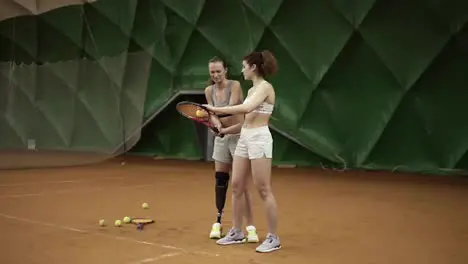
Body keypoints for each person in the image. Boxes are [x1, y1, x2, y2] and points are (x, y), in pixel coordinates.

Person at [203, 50, 281, 253]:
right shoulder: (251, 90)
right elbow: (245, 120)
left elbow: (246, 108)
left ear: (253, 67)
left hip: (259, 139)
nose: (242, 70)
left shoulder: (265, 88)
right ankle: (237, 231)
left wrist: (215, 110)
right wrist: (224, 130)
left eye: (244, 66)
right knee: (236, 185)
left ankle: (273, 237)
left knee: (263, 189)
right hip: (245, 138)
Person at [204, 56, 259, 243]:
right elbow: (213, 115)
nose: (216, 75)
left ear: (225, 70)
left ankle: (250, 228)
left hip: (238, 137)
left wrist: (219, 121)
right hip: (222, 139)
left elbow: (232, 108)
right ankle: (218, 222)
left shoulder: (235, 85)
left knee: (240, 185)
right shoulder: (208, 90)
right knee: (221, 182)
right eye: (212, 72)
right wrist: (216, 125)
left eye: (219, 71)